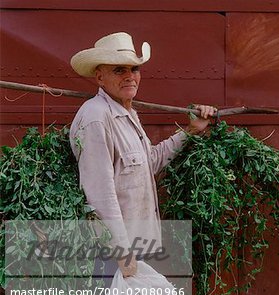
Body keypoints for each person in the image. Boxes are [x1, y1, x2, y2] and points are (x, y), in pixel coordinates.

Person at [69, 32, 216, 279]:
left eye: (134, 69)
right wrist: (123, 253)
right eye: (119, 70)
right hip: (113, 255)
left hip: (141, 246)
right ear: (99, 76)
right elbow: (99, 194)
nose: (130, 76)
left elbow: (151, 162)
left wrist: (192, 130)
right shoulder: (96, 117)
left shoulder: (129, 115)